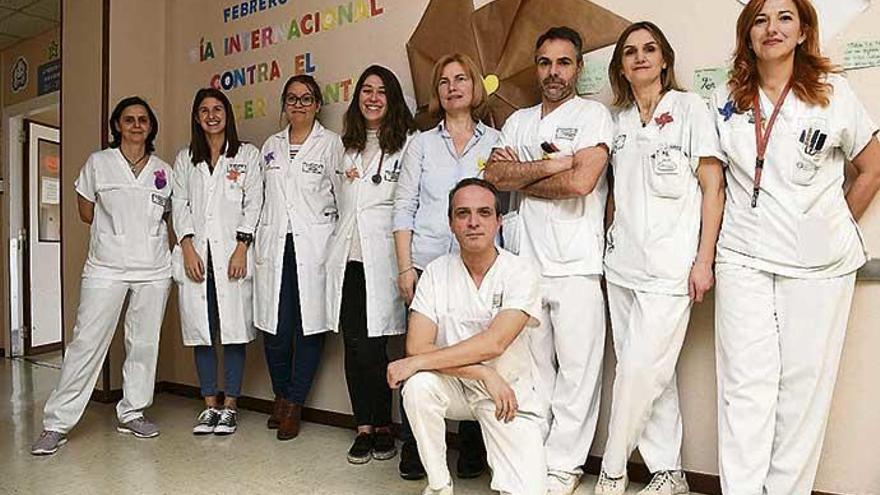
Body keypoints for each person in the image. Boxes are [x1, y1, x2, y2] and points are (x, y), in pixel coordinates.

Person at [711, 0, 880, 493]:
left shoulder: (833, 93)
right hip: (744, 254)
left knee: (802, 390)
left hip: (818, 264)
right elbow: (713, 181)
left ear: (804, 30)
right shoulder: (726, 98)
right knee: (745, 388)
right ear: (748, 33)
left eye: (785, 17)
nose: (772, 28)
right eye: (760, 19)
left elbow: (871, 167)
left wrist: (837, 223)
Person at [594, 22, 725, 495]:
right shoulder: (618, 120)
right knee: (653, 373)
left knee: (636, 372)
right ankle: (669, 473)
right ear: (621, 67)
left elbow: (713, 188)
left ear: (665, 59)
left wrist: (703, 259)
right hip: (622, 266)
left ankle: (610, 472)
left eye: (650, 49)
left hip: (671, 268)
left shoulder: (691, 110)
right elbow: (613, 195)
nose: (640, 57)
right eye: (630, 52)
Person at [483, 26, 613, 494]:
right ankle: (531, 458)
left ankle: (565, 465)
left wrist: (525, 177)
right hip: (527, 264)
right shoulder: (518, 122)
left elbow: (582, 184)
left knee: (579, 370)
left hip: (578, 262)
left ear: (578, 67)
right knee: (532, 369)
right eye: (544, 62)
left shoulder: (594, 116)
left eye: (563, 62)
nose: (553, 72)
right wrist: (554, 164)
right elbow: (495, 176)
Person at [31, 97, 173, 455]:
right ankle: (56, 424)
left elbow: (168, 215)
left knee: (143, 342)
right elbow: (85, 210)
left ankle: (133, 411)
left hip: (153, 268)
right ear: (117, 126)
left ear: (150, 126)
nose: (137, 125)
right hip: (106, 266)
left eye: (143, 119)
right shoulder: (99, 163)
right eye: (129, 119)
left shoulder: (164, 169)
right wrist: (117, 238)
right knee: (86, 342)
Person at [388, 178, 547, 495]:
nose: (473, 222)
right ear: (451, 223)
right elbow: (416, 346)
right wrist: (480, 371)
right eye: (463, 214)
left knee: (529, 491)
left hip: (507, 394)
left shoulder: (521, 271)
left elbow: (495, 342)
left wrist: (488, 375)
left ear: (498, 221)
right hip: (456, 384)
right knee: (417, 386)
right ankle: (438, 485)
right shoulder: (436, 272)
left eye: (484, 213)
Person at [392, 53, 498, 480]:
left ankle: (473, 447)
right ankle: (415, 450)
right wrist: (405, 268)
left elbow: (502, 206)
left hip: (479, 271)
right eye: (444, 81)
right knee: (418, 356)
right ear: (437, 93)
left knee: (473, 354)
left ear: (474, 86)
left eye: (461, 79)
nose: (453, 87)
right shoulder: (420, 144)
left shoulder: (496, 142)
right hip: (427, 266)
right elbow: (403, 207)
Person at [325, 65, 416, 464]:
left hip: (387, 257)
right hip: (349, 259)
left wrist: (405, 263)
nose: (373, 97)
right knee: (356, 345)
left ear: (392, 99)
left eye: (381, 91)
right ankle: (363, 425)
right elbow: (331, 199)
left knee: (381, 346)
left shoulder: (408, 145)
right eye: (366, 90)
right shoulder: (344, 147)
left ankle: (384, 425)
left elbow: (408, 204)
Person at [254, 75, 342, 441]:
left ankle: (293, 405)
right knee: (275, 330)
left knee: (309, 328)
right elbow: (258, 198)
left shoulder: (331, 144)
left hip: (314, 249)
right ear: (284, 105)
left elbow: (341, 198)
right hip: (275, 246)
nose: (299, 105)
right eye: (292, 99)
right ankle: (281, 394)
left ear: (318, 104)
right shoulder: (270, 147)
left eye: (306, 99)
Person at [171, 88, 262, 435]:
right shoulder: (185, 159)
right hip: (198, 256)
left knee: (233, 331)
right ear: (196, 117)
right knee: (203, 332)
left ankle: (231, 406)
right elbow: (179, 204)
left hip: (231, 256)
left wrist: (242, 245)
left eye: (217, 108)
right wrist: (188, 246)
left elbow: (254, 201)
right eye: (204, 110)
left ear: (227, 114)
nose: (212, 115)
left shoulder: (247, 155)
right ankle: (210, 405)